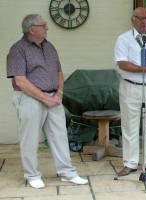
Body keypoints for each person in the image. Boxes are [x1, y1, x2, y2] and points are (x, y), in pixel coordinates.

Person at [6, 14, 88, 188]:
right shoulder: (18, 49)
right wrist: (44, 98)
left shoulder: (49, 47)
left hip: (53, 98)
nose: (47, 28)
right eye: (43, 25)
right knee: (30, 138)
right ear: (31, 29)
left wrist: (59, 93)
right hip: (29, 98)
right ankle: (32, 175)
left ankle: (67, 172)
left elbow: (59, 72)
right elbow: (20, 80)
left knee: (60, 136)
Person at [114, 7, 146, 176]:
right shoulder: (123, 39)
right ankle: (130, 163)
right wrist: (145, 69)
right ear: (133, 20)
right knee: (130, 126)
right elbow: (122, 63)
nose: (145, 22)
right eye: (141, 18)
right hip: (131, 87)